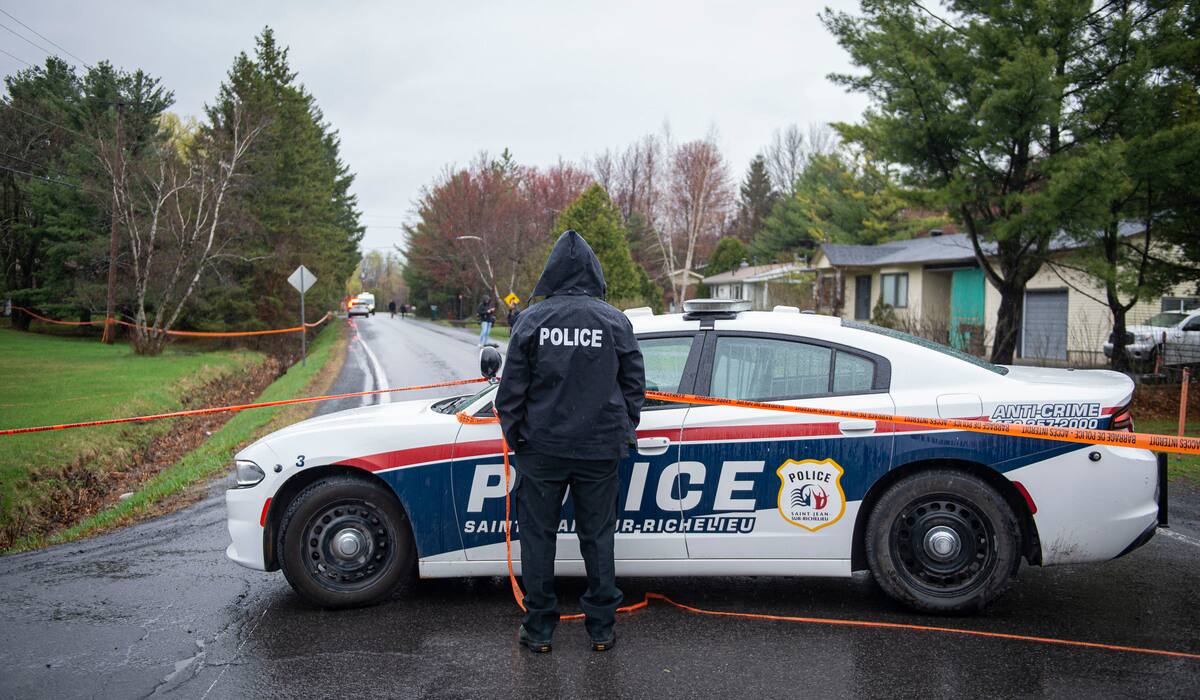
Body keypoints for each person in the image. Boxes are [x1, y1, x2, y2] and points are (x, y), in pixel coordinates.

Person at [495, 229, 645, 654]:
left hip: (542, 449)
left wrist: (518, 440)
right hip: (599, 450)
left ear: (552, 272)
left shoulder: (531, 321)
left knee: (538, 539)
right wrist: (622, 425)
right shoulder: (615, 320)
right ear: (594, 272)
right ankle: (601, 628)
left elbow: (511, 393)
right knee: (598, 538)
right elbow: (634, 385)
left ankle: (539, 629)